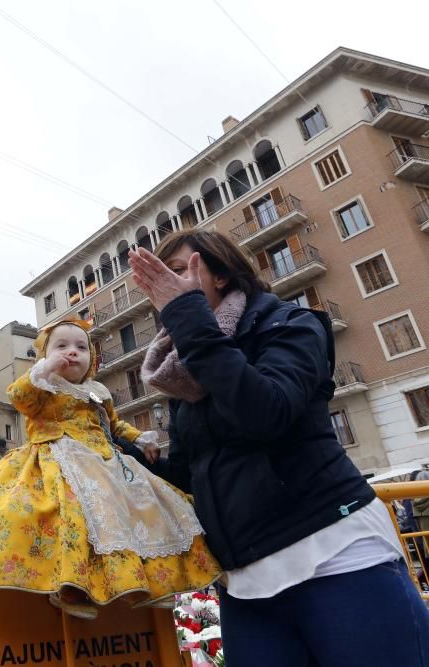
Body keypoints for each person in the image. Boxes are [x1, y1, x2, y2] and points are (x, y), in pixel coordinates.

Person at [128, 229, 429, 666]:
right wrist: (118, 450)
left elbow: (266, 412)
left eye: (177, 272)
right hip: (247, 583)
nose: (165, 288)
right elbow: (194, 475)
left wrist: (190, 321)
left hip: (335, 556)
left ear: (222, 276)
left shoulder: (287, 323)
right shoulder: (187, 371)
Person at [0, 317, 220, 619]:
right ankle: (73, 585)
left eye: (80, 347)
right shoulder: (43, 384)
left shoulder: (97, 390)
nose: (72, 352)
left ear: (92, 357)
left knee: (147, 506)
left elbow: (113, 424)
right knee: (69, 515)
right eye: (61, 346)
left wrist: (140, 438)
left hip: (103, 460)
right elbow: (19, 398)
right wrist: (43, 371)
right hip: (58, 456)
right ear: (44, 355)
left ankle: (154, 583)